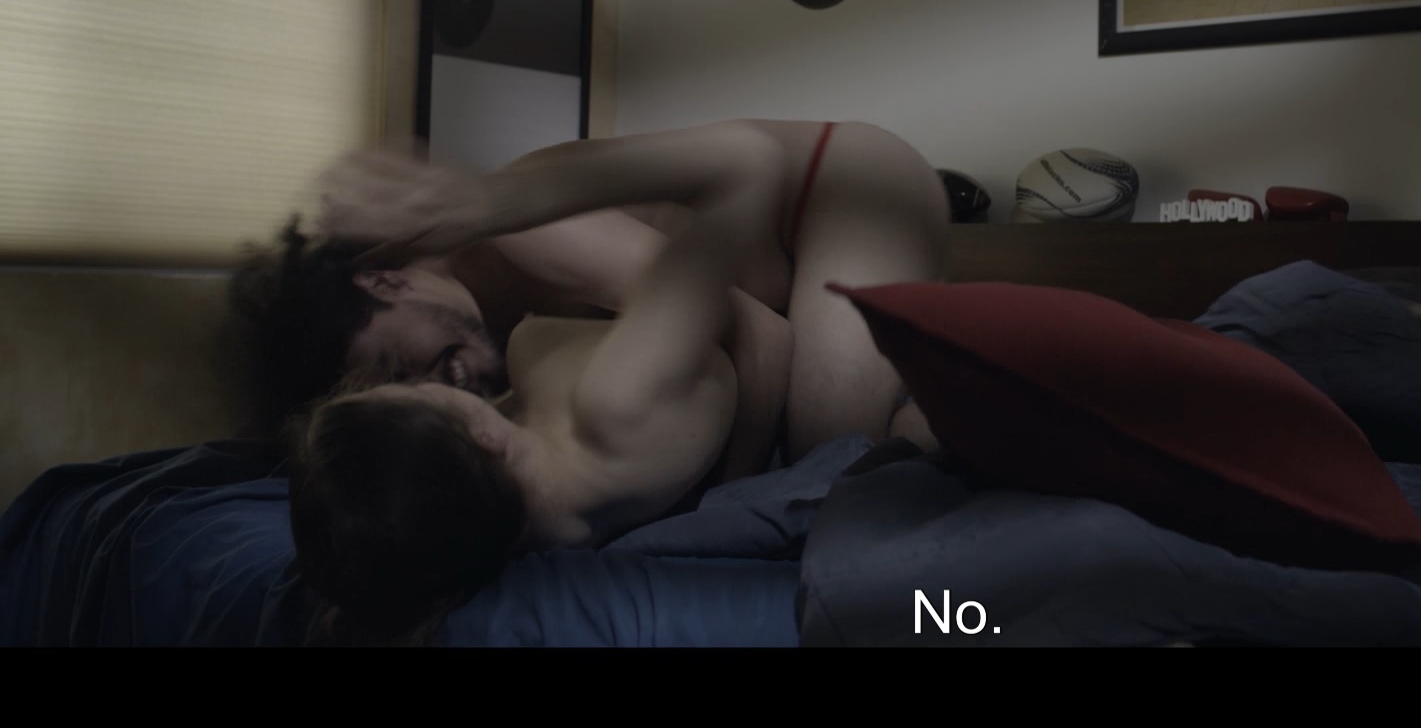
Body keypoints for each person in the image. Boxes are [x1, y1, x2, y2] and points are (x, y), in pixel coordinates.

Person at [288, 122, 791, 645]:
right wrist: (484, 205)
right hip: (760, 251)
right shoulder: (617, 399)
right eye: (414, 397)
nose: (431, 385)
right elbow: (748, 163)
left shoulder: (497, 528)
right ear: (485, 438)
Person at [230, 119, 949, 475]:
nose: (436, 389)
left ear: (384, 280)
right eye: (405, 393)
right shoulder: (487, 340)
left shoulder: (532, 237)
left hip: (843, 189)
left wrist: (724, 511)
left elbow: (764, 338)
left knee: (833, 452)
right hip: (789, 270)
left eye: (399, 363)